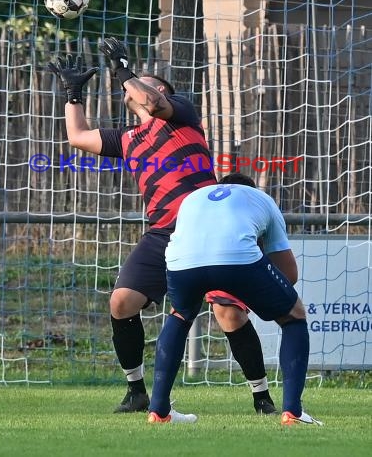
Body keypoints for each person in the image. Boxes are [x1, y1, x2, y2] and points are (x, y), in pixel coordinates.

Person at [48, 40, 277, 417]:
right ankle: (136, 391)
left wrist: (124, 71)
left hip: (209, 228)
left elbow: (152, 103)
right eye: (135, 85)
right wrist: (73, 94)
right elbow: (77, 136)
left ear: (162, 93)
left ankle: (261, 397)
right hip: (163, 232)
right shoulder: (126, 138)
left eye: (147, 84)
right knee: (121, 302)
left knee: (229, 315)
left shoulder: (180, 115)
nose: (136, 89)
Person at [147, 172, 323, 426]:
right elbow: (290, 274)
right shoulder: (260, 198)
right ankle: (293, 412)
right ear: (250, 189)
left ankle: (158, 410)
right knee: (294, 314)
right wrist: (257, 287)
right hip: (238, 259)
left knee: (180, 315)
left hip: (180, 260)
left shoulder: (193, 198)